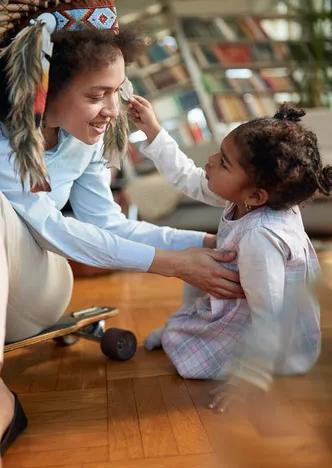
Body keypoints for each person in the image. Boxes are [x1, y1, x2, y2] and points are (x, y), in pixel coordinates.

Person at [0, 0, 241, 468]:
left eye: (117, 91)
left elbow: (108, 225)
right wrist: (176, 265)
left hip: (29, 289)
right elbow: (48, 221)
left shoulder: (91, 132)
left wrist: (209, 237)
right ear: (41, 86)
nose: (111, 111)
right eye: (96, 94)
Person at [129, 94, 329, 412]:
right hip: (238, 302)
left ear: (256, 195)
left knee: (191, 355)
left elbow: (270, 316)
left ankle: (187, 338)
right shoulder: (248, 197)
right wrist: (154, 132)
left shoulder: (260, 238)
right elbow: (190, 178)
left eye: (223, 162)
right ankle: (179, 330)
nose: (209, 161)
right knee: (201, 260)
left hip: (268, 335)